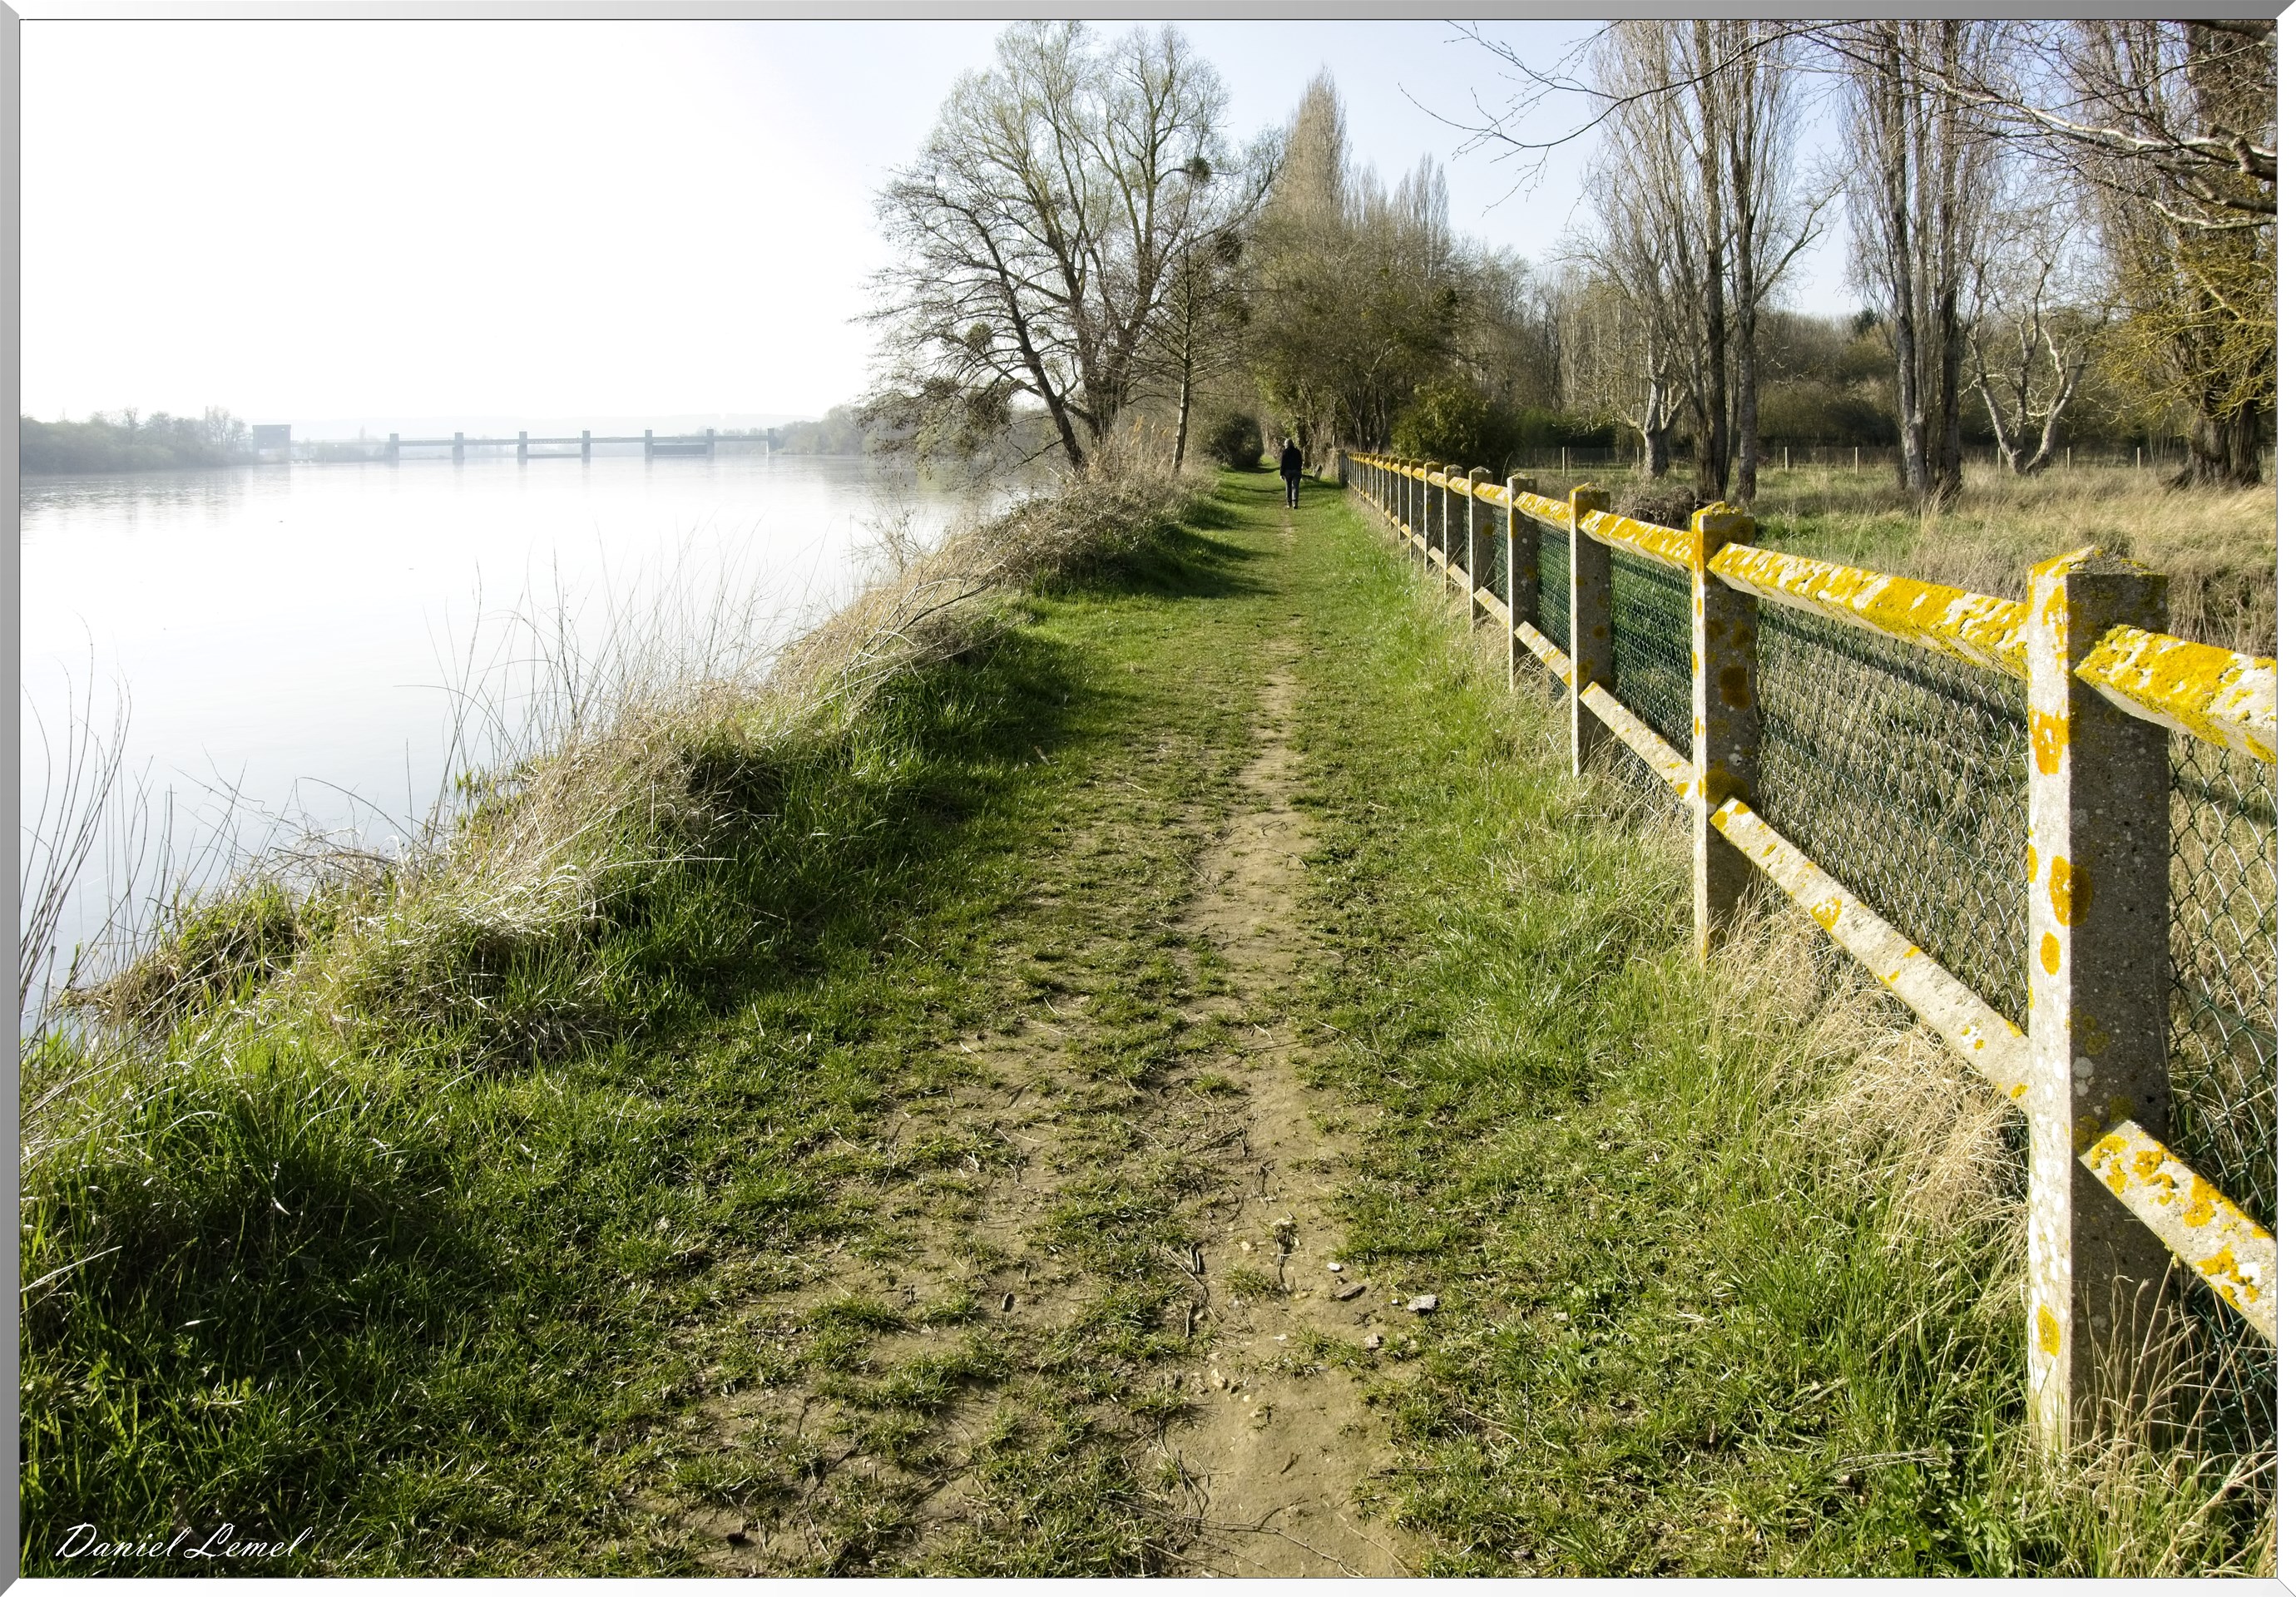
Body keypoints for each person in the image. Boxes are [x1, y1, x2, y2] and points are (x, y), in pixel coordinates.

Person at [1279, 438, 1304, 508]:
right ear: (1292, 444)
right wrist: (1299, 469)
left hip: (1287, 472)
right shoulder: (1297, 451)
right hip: (1297, 471)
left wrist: (1281, 473)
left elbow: (1282, 464)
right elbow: (1300, 461)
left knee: (1288, 487)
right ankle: (1295, 503)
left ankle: (1289, 503)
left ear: (1286, 445)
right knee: (1295, 487)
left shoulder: (1285, 452)